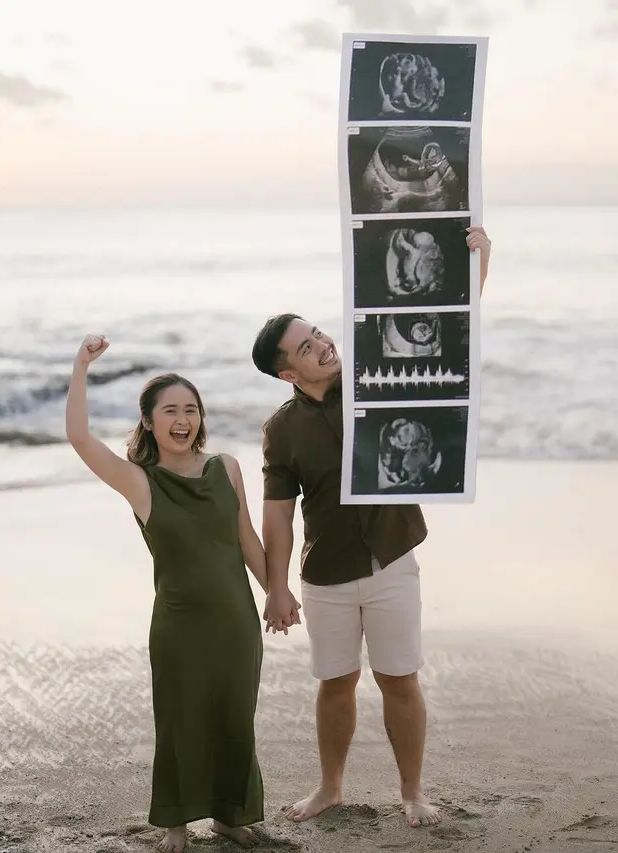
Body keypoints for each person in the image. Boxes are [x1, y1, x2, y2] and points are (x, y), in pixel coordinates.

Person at [251, 226, 492, 829]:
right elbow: (277, 513)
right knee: (335, 684)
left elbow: (445, 340)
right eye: (306, 348)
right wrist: (275, 587)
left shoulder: (376, 378)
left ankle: (412, 793)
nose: (324, 346)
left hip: (391, 558)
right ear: (287, 372)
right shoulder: (282, 429)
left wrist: (477, 269)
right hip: (327, 571)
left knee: (399, 680)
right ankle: (330, 787)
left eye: (318, 334)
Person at [66, 334, 269, 851]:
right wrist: (81, 366)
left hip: (237, 621)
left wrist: (279, 592)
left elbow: (246, 536)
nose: (184, 420)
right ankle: (175, 823)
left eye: (192, 410)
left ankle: (229, 815)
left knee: (234, 717)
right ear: (149, 422)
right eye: (171, 411)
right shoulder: (141, 482)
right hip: (179, 626)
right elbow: (80, 438)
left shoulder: (226, 467)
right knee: (180, 722)